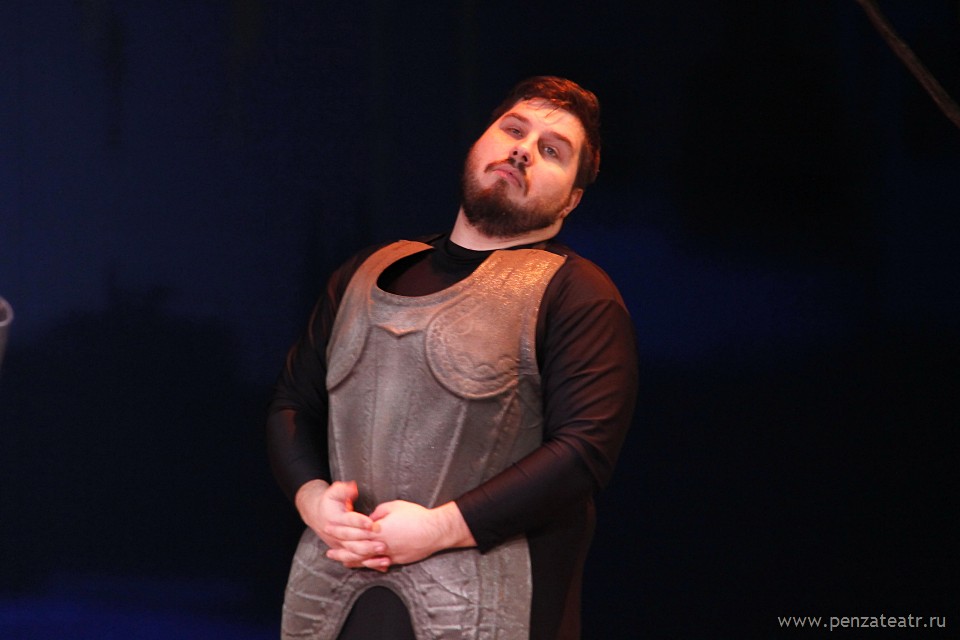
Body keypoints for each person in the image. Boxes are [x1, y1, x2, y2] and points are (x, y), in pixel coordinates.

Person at [267, 76, 639, 640]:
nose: (523, 150)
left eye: (551, 150)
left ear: (572, 199)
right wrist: (314, 499)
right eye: (513, 130)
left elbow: (583, 453)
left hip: (493, 606)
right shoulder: (366, 272)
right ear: (478, 143)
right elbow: (293, 403)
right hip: (334, 594)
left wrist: (441, 527)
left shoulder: (576, 292)